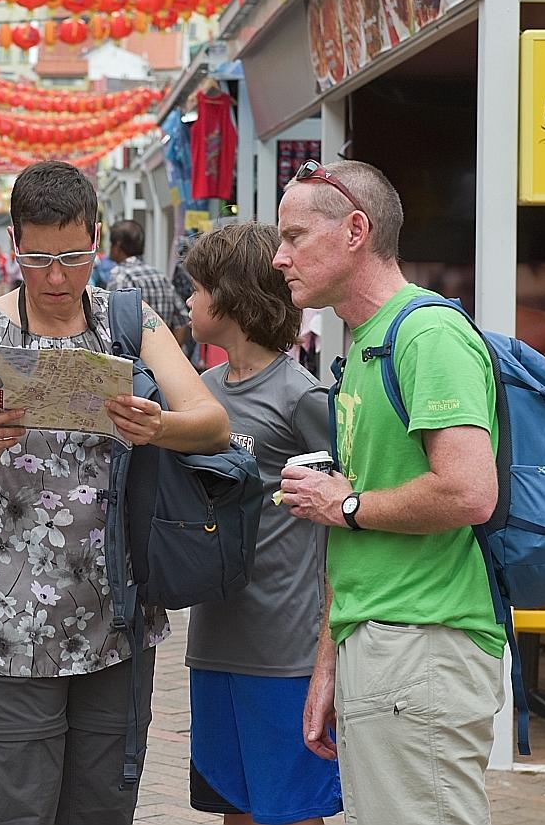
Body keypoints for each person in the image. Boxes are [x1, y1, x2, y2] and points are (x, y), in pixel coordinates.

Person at [0, 160, 230, 825]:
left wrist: (159, 424)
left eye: (74, 256)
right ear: (13, 246)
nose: (57, 277)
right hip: (8, 632)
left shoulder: (127, 322)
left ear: (96, 239)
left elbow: (212, 424)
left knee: (102, 812)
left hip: (115, 625)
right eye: (38, 258)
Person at [274, 160, 502, 825]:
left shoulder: (427, 334)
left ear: (355, 230)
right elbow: (355, 526)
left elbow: (468, 491)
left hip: (423, 643)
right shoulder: (367, 342)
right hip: (384, 643)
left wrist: (344, 505)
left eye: (294, 236)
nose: (278, 256)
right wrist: (329, 663)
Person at [181, 223, 343, 825]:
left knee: (292, 811)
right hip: (215, 638)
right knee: (234, 806)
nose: (190, 301)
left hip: (285, 649)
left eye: (197, 288)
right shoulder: (200, 393)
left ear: (230, 297)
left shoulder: (301, 396)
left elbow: (341, 521)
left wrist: (330, 641)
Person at [108, 219, 191, 346]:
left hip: (134, 362)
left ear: (118, 246)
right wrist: (170, 353)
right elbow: (182, 320)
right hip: (162, 360)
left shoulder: (120, 276)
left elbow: (114, 325)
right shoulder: (160, 276)